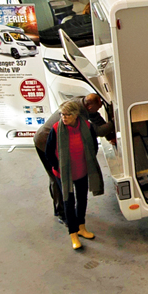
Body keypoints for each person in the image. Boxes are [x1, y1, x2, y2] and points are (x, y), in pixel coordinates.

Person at [37, 98, 104, 250]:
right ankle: (73, 234)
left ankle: (81, 227)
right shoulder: (56, 129)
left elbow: (93, 146)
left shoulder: (86, 126)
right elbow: (49, 152)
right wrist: (58, 167)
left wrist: (88, 161)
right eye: (62, 114)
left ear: (75, 115)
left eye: (67, 115)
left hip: (81, 170)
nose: (64, 117)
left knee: (82, 199)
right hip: (64, 174)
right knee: (68, 201)